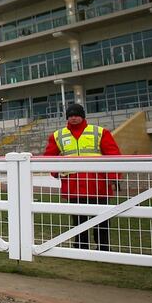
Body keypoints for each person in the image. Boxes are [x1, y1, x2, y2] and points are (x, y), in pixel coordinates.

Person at [43, 102, 122, 250]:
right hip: (73, 186)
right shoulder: (57, 135)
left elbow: (113, 155)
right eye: (71, 115)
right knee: (78, 219)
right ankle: (80, 246)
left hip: (98, 185)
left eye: (77, 115)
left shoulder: (100, 132)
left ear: (83, 116)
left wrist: (114, 176)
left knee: (101, 219)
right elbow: (48, 157)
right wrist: (55, 172)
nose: (74, 118)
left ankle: (103, 247)